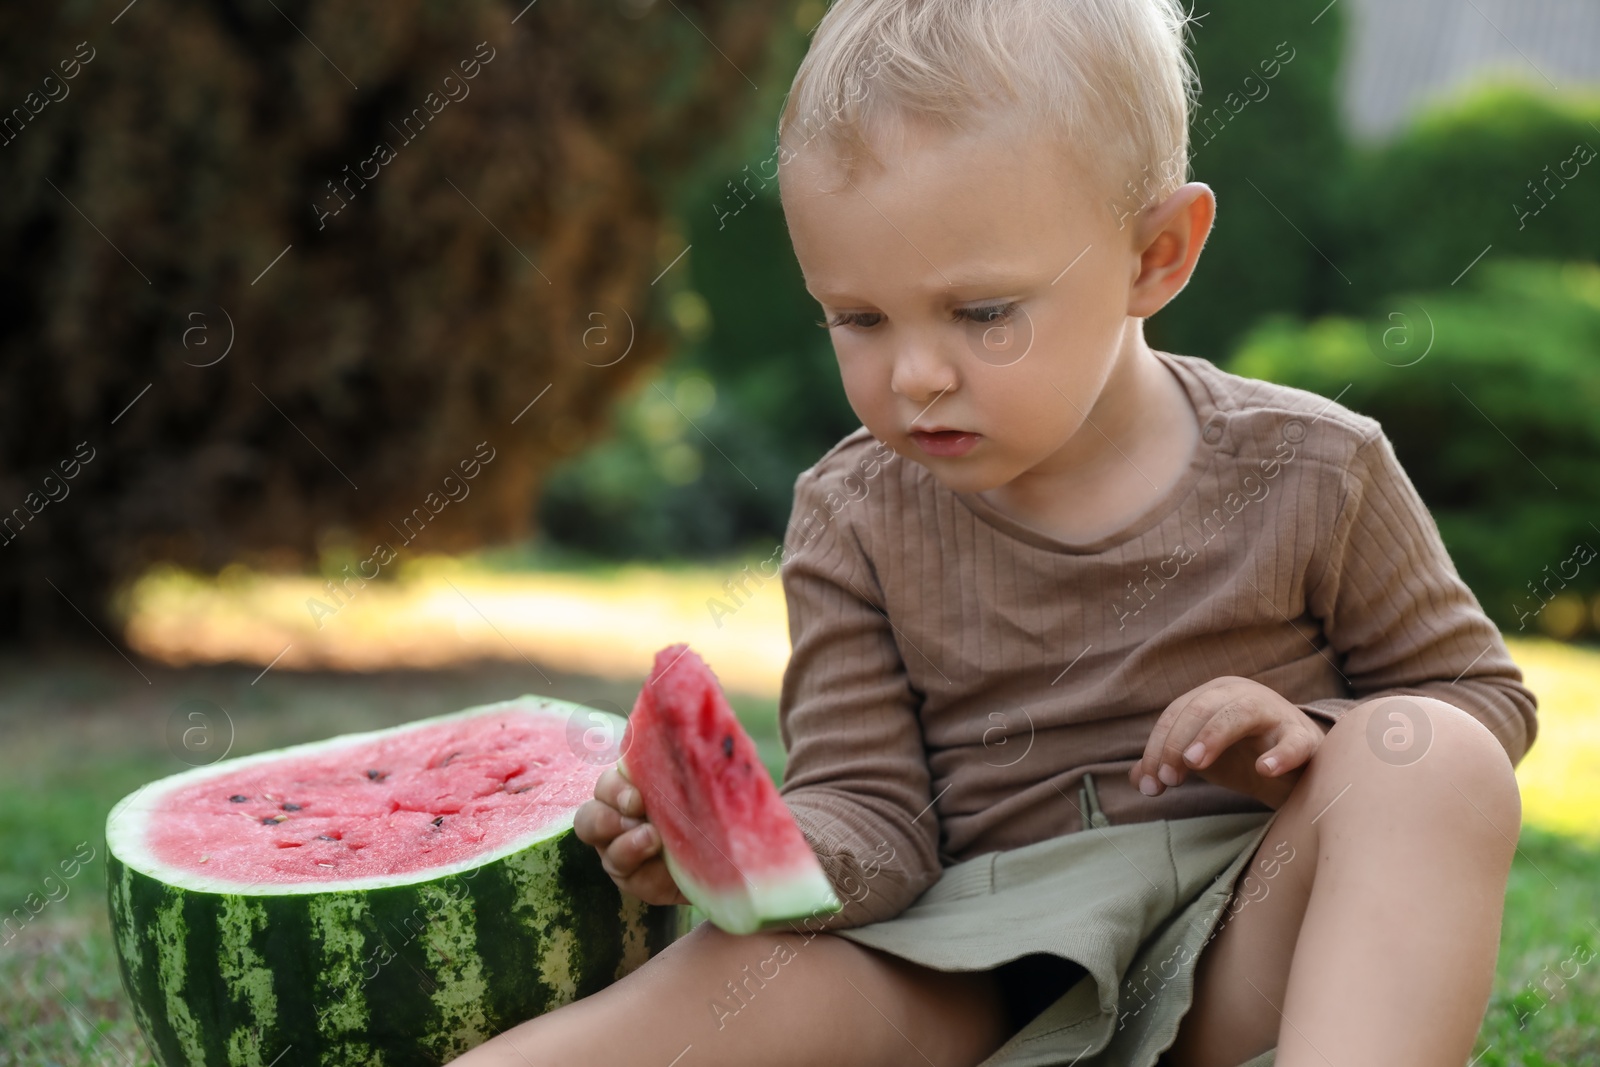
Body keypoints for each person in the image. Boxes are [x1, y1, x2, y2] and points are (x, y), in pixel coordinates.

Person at [450, 1, 1536, 1064]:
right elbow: (872, 814)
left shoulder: (1314, 467)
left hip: (1232, 950)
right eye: (859, 318)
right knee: (713, 993)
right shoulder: (854, 513)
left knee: (1432, 756)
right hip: (964, 973)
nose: (914, 375)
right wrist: (741, 851)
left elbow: (1482, 704)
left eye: (982, 314)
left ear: (1156, 253)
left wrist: (1314, 728)